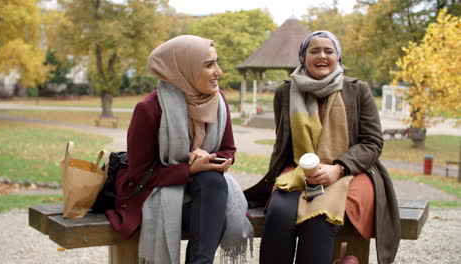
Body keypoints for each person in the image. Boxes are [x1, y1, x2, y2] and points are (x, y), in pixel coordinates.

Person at [243, 31, 401, 264]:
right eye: (314, 50)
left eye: (329, 50)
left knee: (318, 219)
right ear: (303, 57)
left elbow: (372, 142)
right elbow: (282, 144)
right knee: (279, 215)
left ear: (338, 56)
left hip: (351, 173)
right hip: (299, 170)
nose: (322, 56)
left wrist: (338, 168)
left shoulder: (358, 90)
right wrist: (279, 178)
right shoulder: (285, 92)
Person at [105, 35, 253, 264]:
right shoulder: (149, 109)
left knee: (212, 181)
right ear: (184, 69)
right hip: (155, 194)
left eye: (217, 62)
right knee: (217, 213)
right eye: (209, 65)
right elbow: (139, 174)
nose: (219, 72)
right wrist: (191, 169)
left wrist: (210, 158)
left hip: (203, 192)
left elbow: (228, 149)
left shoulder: (218, 100)